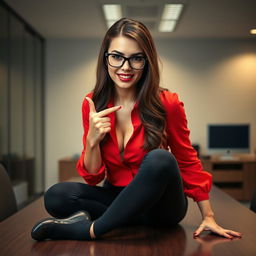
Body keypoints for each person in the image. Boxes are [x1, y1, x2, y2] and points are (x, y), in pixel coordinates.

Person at [31, 18, 241, 241]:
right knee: (56, 196)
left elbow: (187, 160)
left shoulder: (167, 102)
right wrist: (92, 140)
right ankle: (125, 219)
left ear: (147, 61)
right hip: (116, 197)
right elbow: (92, 178)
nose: (125, 67)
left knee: (161, 158)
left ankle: (92, 229)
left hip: (162, 208)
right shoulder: (93, 104)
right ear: (105, 58)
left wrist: (208, 215)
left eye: (136, 58)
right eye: (117, 57)